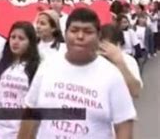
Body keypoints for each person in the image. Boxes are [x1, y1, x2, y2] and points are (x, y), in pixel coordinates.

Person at [18, 8, 137, 139]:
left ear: (98, 36)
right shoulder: (47, 66)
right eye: (74, 31)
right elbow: (30, 113)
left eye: (88, 32)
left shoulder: (112, 76)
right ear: (65, 33)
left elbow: (124, 124)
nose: (80, 36)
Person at [0, 21, 41, 138]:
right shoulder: (1, 60)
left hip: (20, 129)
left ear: (30, 42)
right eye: (13, 37)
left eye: (21, 38)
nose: (15, 41)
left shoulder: (36, 67)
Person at [99, 24, 142, 98]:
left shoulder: (128, 60)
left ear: (117, 44)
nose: (101, 48)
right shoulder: (93, 59)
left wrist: (120, 63)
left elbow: (135, 92)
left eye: (105, 44)